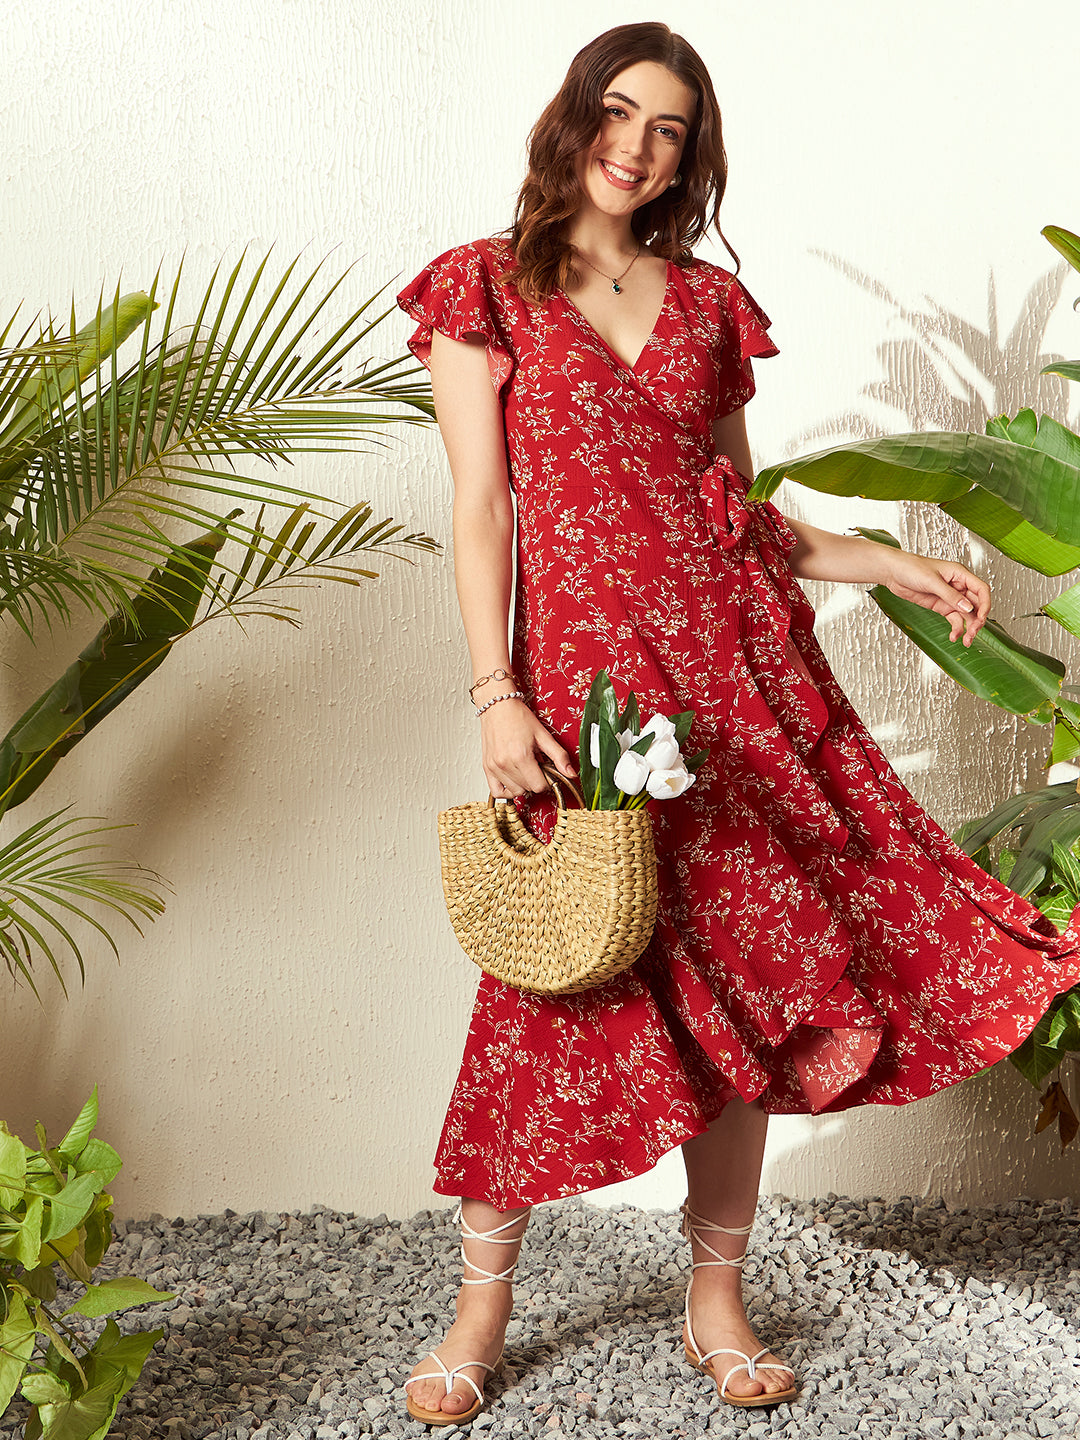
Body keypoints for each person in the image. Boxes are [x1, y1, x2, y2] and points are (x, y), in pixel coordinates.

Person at [395, 21, 1080, 1427]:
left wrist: (889, 560)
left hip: (734, 690)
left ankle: (717, 1299)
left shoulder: (710, 309)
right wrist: (496, 694)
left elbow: (740, 518)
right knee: (551, 983)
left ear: (690, 156)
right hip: (587, 702)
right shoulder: (486, 287)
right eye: (619, 113)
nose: (637, 148)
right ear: (574, 116)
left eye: (670, 130)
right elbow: (482, 509)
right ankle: (480, 1309)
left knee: (750, 987)